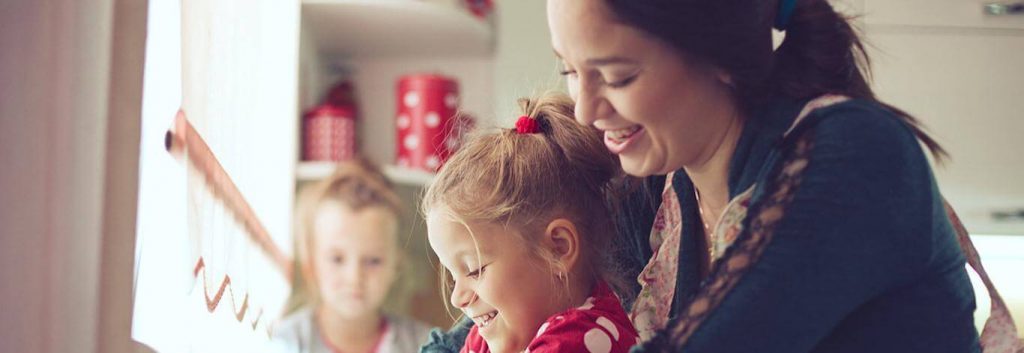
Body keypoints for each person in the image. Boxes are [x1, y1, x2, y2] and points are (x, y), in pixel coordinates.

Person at [424, 0, 1023, 352]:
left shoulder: (851, 158)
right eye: (571, 71)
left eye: (618, 75)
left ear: (719, 60)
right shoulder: (657, 191)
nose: (586, 108)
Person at [421, 94, 639, 353]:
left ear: (558, 248)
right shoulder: (491, 333)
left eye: (474, 270)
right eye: (452, 276)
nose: (458, 299)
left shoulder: (578, 340)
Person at [273, 158, 431, 353]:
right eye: (337, 259)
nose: (354, 277)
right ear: (311, 263)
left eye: (373, 261)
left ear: (395, 265)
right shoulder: (284, 341)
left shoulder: (426, 345)